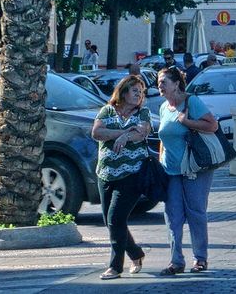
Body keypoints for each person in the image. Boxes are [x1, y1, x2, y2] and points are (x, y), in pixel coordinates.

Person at [155, 66, 219, 276]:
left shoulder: (192, 102)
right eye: (158, 82)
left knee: (195, 212)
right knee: (172, 215)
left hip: (195, 167)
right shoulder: (164, 107)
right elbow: (164, 138)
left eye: (164, 82)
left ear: (176, 84)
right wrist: (161, 161)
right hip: (171, 170)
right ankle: (176, 261)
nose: (160, 85)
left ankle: (200, 258)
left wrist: (187, 121)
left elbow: (213, 126)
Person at [90, 75, 153, 278]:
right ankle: (136, 253)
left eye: (141, 92)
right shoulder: (107, 110)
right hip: (106, 173)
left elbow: (141, 133)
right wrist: (123, 133)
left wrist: (126, 135)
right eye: (135, 91)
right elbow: (97, 133)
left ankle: (115, 266)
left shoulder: (142, 112)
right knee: (110, 221)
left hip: (132, 174)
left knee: (116, 218)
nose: (138, 95)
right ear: (124, 92)